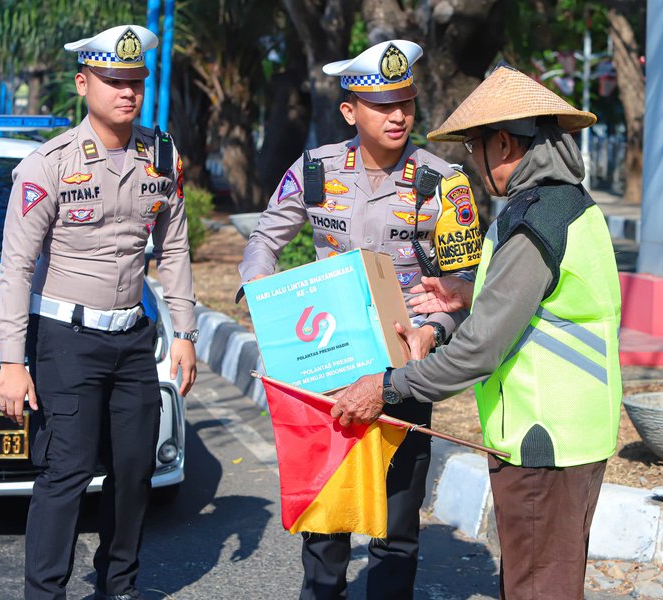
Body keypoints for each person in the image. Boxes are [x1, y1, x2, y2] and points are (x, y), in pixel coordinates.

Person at [332, 63, 623, 600]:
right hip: (572, 431)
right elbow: (548, 304)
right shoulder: (569, 206)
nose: (474, 161)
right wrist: (467, 296)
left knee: (538, 589)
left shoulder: (535, 219)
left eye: (475, 148)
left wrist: (390, 386)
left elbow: (481, 348)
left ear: (505, 143)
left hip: (543, 440)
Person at [239, 40, 482, 600]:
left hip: (403, 370)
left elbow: (461, 292)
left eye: (407, 103)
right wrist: (263, 295)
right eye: (382, 105)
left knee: (397, 530)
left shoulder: (442, 182)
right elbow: (264, 239)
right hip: (325, 370)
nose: (398, 116)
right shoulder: (316, 171)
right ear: (350, 111)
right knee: (326, 524)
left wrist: (431, 333)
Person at [0, 25, 198, 600]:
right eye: (113, 81)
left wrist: (184, 331)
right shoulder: (49, 165)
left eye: (135, 81)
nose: (127, 92)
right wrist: (13, 362)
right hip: (66, 338)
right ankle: (46, 592)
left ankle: (119, 587)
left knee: (135, 472)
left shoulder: (163, 157)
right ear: (84, 83)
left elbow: (175, 248)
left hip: (133, 335)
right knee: (67, 471)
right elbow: (15, 268)